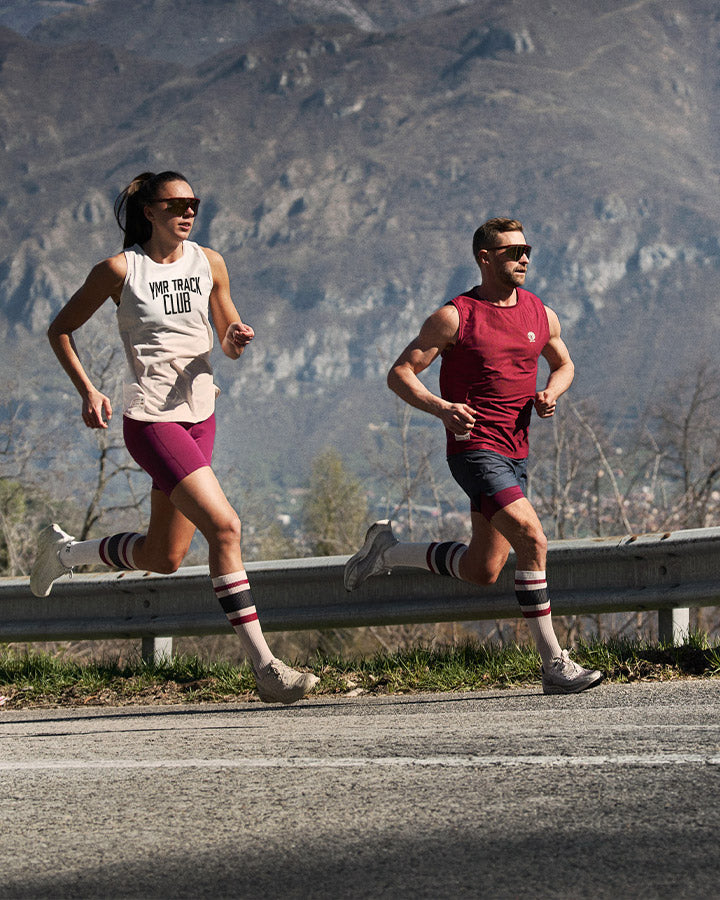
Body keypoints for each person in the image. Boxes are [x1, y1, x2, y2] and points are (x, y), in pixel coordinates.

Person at [30, 170, 318, 704]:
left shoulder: (209, 262)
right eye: (177, 204)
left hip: (201, 415)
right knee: (226, 527)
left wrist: (235, 337)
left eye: (194, 203)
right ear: (150, 212)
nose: (188, 212)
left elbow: (229, 337)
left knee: (164, 556)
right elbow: (59, 329)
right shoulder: (120, 270)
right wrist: (88, 391)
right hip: (151, 422)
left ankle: (65, 553)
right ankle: (265, 667)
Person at [344, 217, 603, 695]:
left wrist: (552, 392)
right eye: (512, 251)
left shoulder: (539, 313)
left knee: (484, 569)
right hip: (474, 449)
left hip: (517, 450)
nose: (523, 258)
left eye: (527, 250)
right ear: (485, 258)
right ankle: (554, 663)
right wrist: (442, 409)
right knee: (532, 537)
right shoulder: (455, 316)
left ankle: (386, 552)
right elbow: (400, 373)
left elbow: (564, 364)